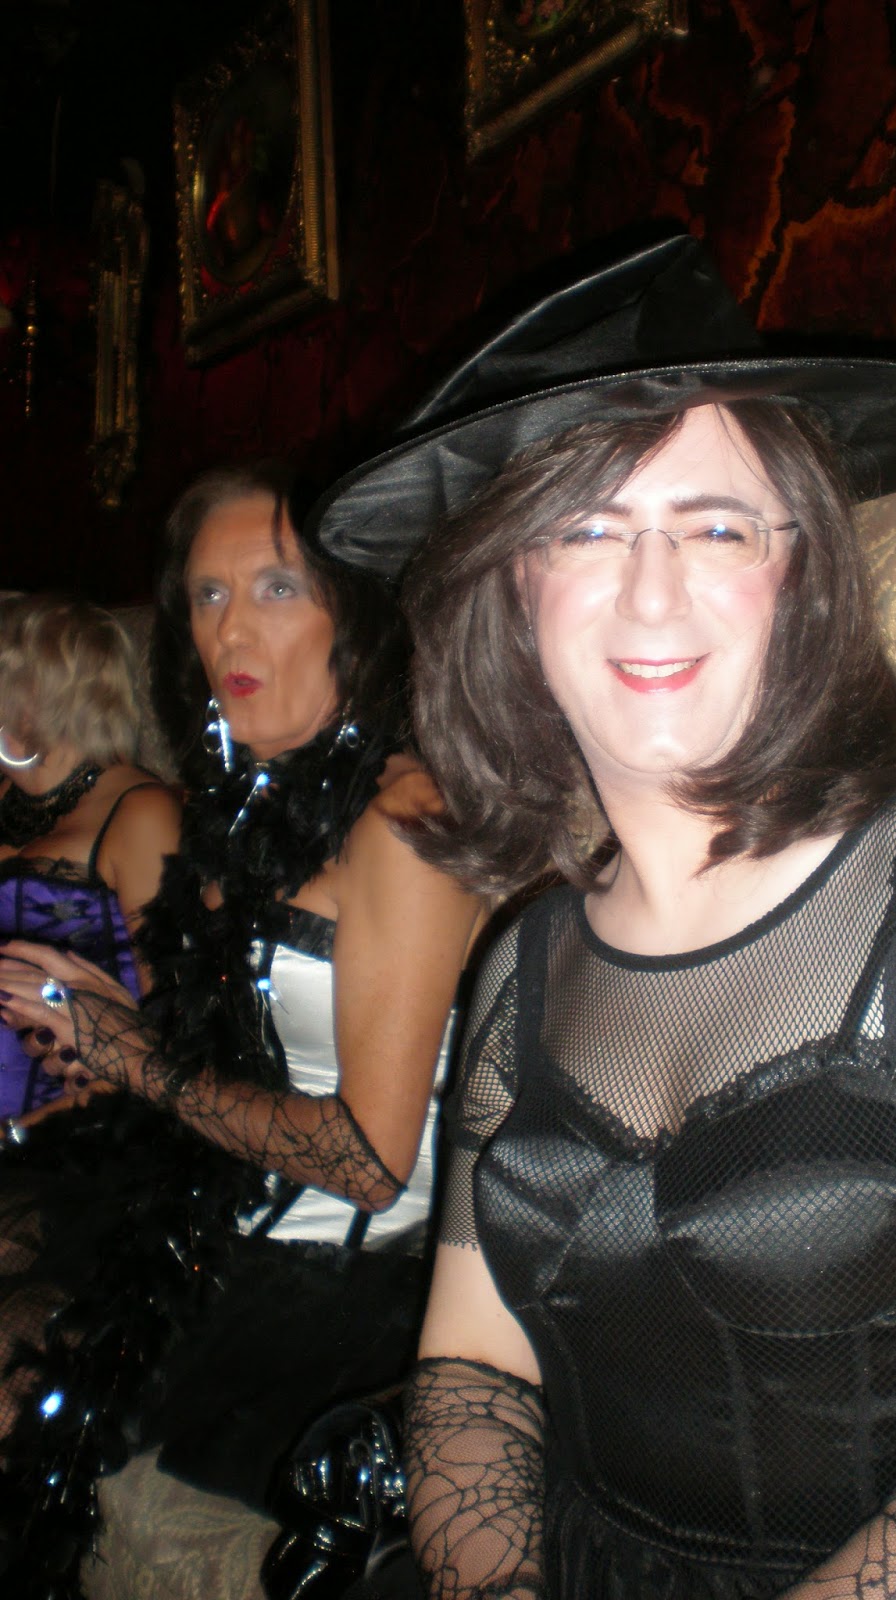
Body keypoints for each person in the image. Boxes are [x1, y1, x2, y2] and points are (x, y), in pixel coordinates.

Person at [309, 233, 896, 1599]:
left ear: (800, 569)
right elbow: (473, 1372)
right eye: (586, 530)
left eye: (715, 527)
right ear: (513, 585)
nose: (651, 590)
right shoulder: (521, 961)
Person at [0, 465, 483, 1595]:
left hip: (346, 1282)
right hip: (211, 1224)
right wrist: (96, 1038)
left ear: (355, 611)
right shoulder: (236, 808)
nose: (229, 629)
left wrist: (138, 1062)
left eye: (276, 587)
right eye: (207, 596)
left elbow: (368, 1161)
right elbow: (215, 1053)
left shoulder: (404, 817)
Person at [0, 593, 180, 1120]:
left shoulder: (142, 813)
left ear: (29, 694)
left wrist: (20, 1134)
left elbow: (169, 1032)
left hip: (75, 1130)